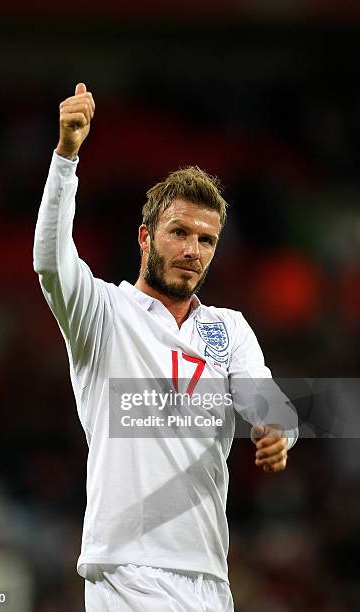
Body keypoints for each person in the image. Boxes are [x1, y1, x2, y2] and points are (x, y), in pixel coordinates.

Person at [33, 82, 297, 611]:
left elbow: (266, 400)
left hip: (208, 576)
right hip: (125, 574)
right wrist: (66, 156)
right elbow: (50, 262)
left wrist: (278, 431)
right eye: (179, 233)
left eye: (206, 240)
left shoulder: (229, 327)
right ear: (145, 237)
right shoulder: (103, 313)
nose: (192, 250)